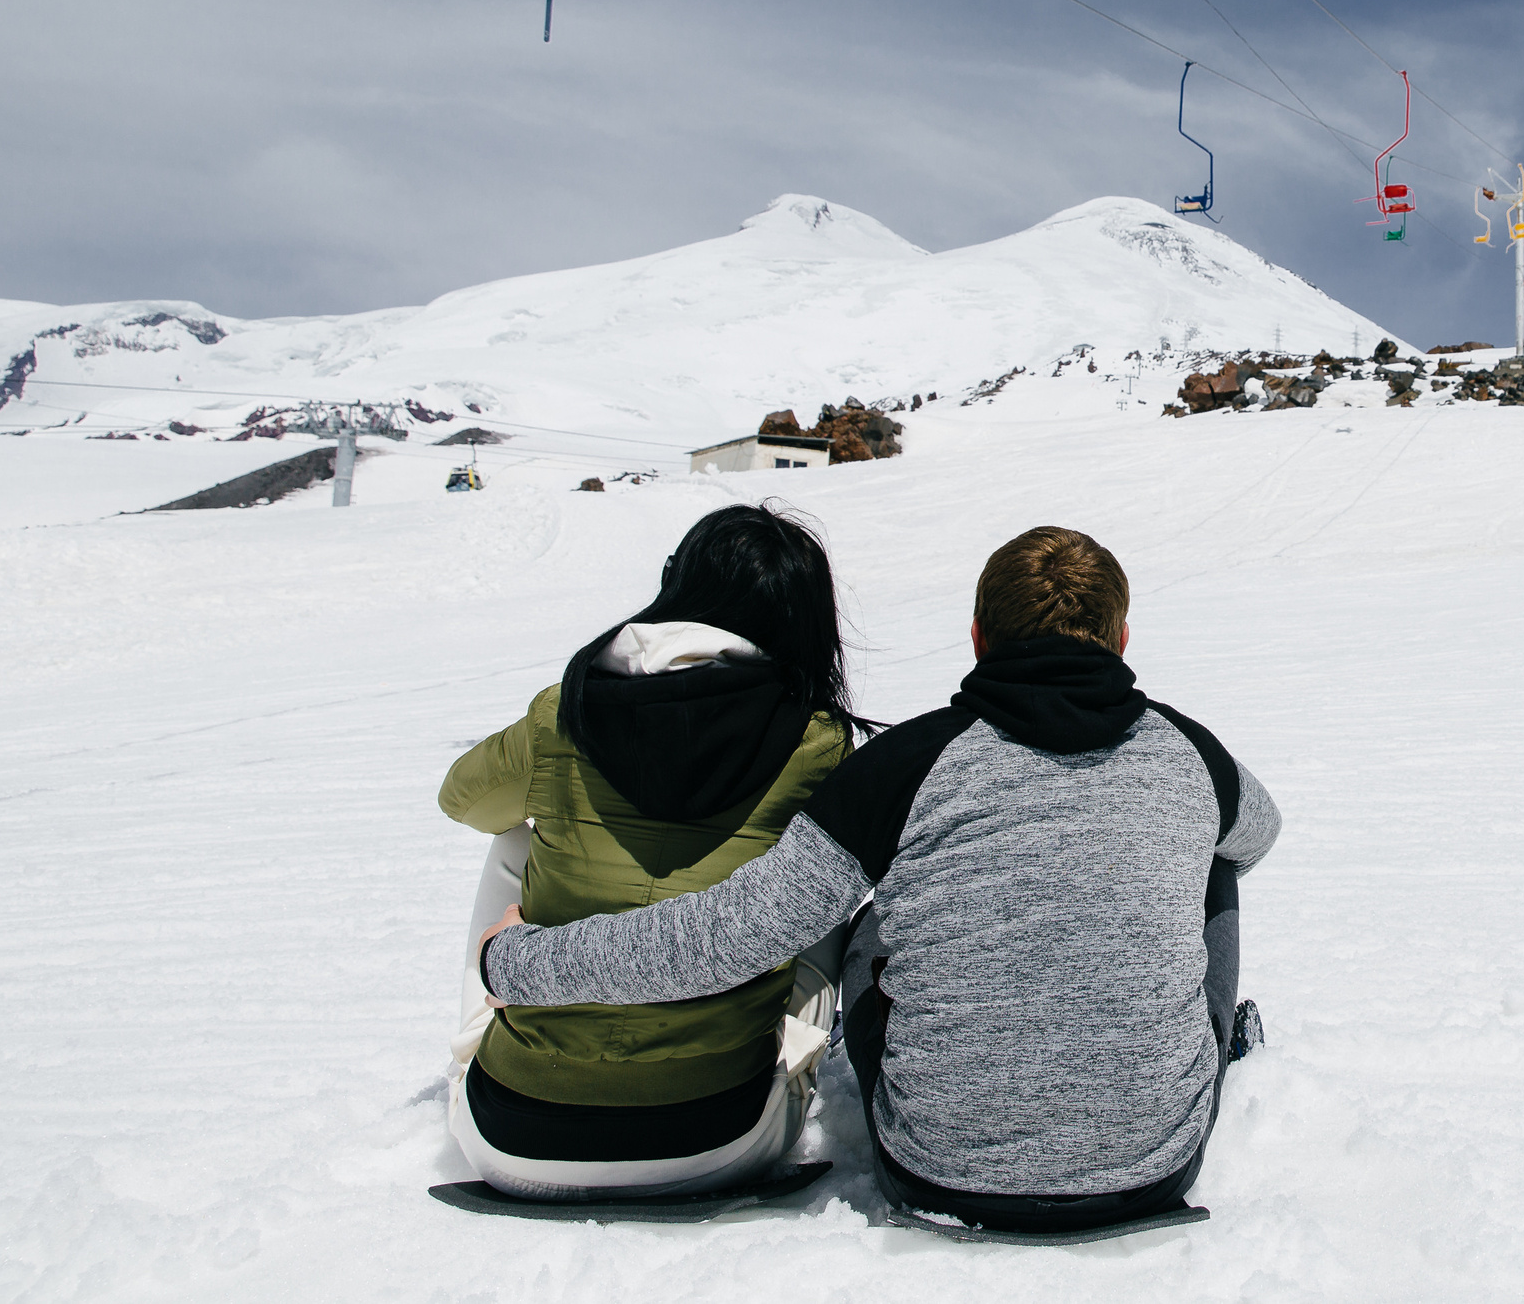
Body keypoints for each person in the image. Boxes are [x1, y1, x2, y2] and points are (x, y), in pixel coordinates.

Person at [477, 525, 1281, 1238]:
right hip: (1153, 1164)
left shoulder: (903, 766)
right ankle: (1185, 1053)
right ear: (1124, 637)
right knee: (1214, 857)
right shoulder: (1192, 754)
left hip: (938, 1168)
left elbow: (728, 936)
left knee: (867, 919)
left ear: (977, 637)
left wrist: (514, 961)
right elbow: (1262, 833)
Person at [439, 503, 864, 1201]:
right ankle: (790, 1054)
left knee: (515, 829)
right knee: (816, 872)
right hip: (719, 1135)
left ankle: (493, 1016)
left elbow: (463, 799)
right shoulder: (814, 740)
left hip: (514, 1133)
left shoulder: (567, 710)